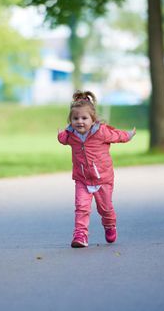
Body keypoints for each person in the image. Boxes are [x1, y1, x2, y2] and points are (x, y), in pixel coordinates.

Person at [58, 91, 136, 248]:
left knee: (105, 208)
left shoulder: (101, 132)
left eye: (84, 118)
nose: (80, 122)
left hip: (103, 179)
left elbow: (117, 135)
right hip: (82, 179)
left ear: (93, 120)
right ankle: (80, 235)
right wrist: (61, 134)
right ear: (70, 120)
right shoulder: (71, 135)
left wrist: (128, 135)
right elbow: (62, 138)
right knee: (81, 207)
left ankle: (109, 225)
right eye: (75, 118)